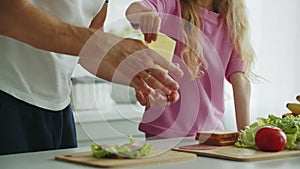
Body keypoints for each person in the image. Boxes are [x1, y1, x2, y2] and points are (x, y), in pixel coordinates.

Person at [0, 0, 184, 155]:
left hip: (59, 110)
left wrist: (140, 79)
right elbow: (8, 15)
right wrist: (112, 46)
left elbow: (87, 51)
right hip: (7, 94)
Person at [126, 0, 255, 139]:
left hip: (210, 133)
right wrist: (146, 14)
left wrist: (245, 135)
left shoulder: (232, 21)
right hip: (164, 131)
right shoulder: (172, 5)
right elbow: (133, 10)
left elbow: (240, 79)